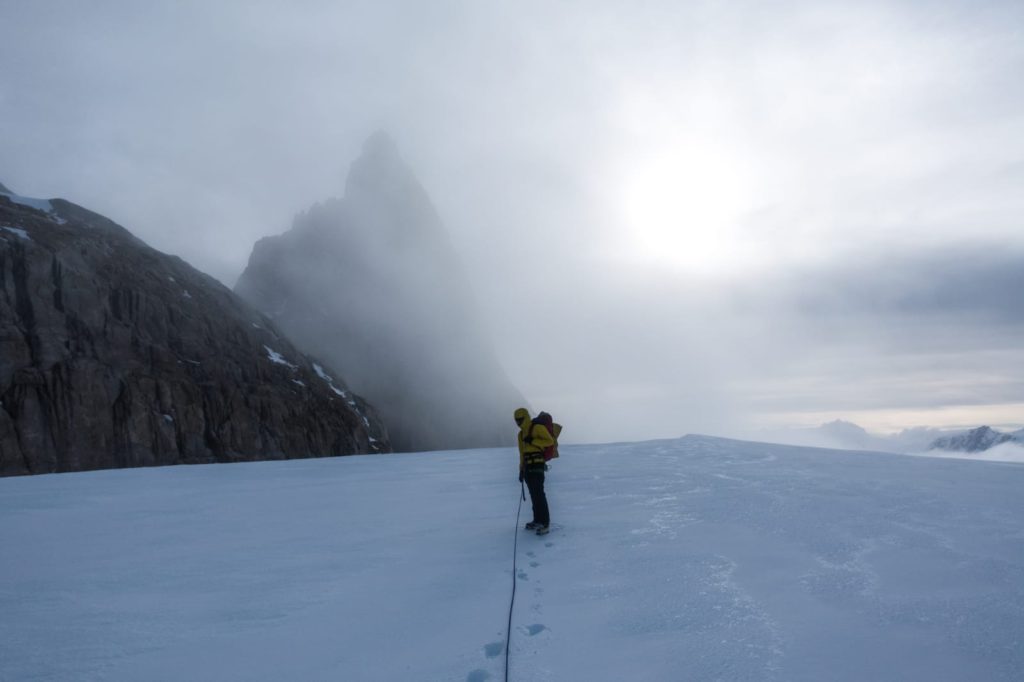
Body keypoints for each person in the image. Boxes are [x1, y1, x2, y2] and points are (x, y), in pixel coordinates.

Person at [515, 407, 554, 535]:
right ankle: (537, 520)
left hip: (537, 465)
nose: (518, 423)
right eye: (516, 421)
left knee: (539, 494)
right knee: (533, 494)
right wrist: (521, 469)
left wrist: (533, 440)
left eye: (520, 420)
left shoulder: (537, 428)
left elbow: (549, 441)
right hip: (527, 467)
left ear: (526, 417)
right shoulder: (520, 435)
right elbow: (521, 453)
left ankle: (545, 523)